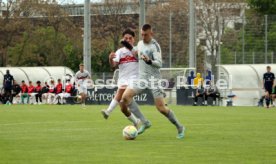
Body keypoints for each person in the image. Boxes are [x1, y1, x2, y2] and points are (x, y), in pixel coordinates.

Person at [120, 24, 185, 139]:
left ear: (151, 34)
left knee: (161, 109)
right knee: (125, 97)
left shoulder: (155, 46)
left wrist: (150, 61)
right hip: (142, 79)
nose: (143, 37)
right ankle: (145, 122)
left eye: (146, 35)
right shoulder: (140, 43)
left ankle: (180, 127)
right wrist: (128, 46)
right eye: (142, 35)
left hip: (154, 80)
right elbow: (136, 52)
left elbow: (159, 63)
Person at [101, 28, 149, 128]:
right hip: (123, 79)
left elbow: (141, 58)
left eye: (130, 38)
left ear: (134, 39)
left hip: (135, 79)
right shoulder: (120, 52)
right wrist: (110, 58)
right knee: (122, 107)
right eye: (125, 38)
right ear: (123, 39)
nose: (128, 40)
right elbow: (113, 65)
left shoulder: (137, 50)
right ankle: (136, 122)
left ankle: (108, 111)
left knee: (120, 91)